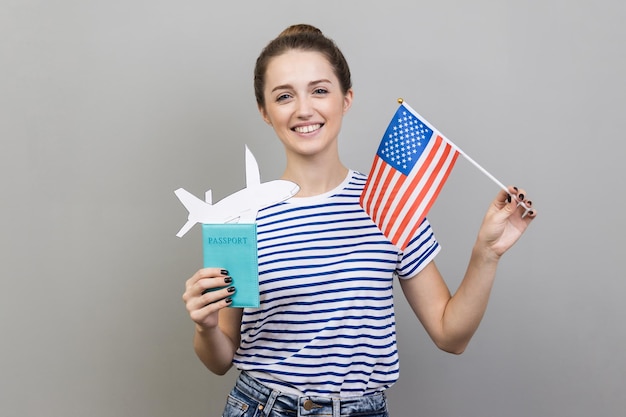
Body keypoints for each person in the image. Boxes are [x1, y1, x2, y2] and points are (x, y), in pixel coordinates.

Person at [182, 23, 536, 417]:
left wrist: (486, 253)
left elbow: (450, 335)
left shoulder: (389, 204)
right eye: (284, 96)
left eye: (320, 90)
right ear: (265, 112)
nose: (304, 109)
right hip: (262, 407)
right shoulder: (241, 214)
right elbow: (220, 359)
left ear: (346, 98)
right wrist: (206, 326)